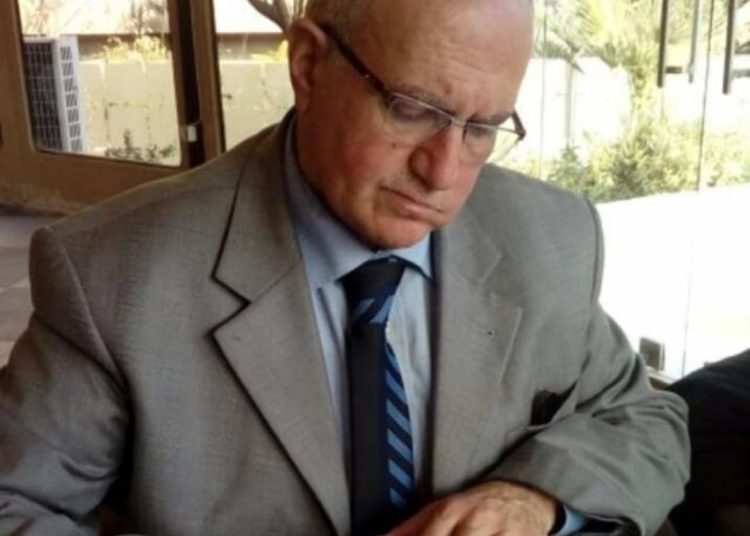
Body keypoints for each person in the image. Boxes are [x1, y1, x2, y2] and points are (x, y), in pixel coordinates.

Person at [0, 0, 689, 534]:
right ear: (308, 66)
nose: (443, 173)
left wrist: (533, 498)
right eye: (412, 109)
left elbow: (644, 421)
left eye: (482, 128)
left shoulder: (552, 237)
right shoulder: (110, 275)